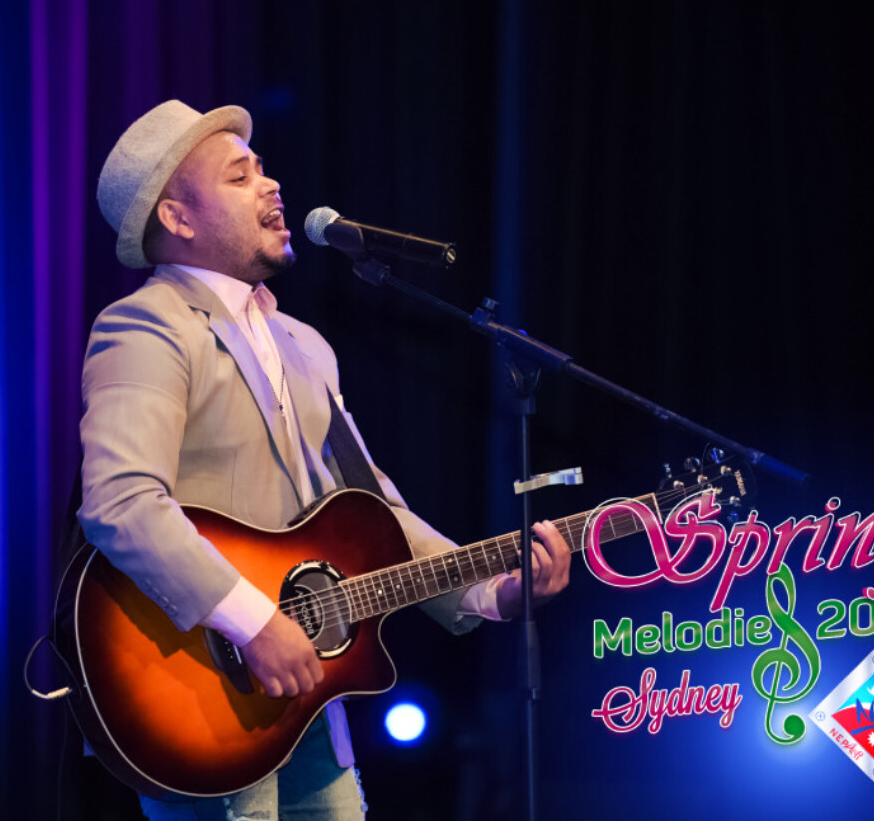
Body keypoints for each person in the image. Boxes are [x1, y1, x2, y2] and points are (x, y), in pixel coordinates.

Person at [79, 99, 571, 820]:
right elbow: (120, 502)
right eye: (240, 176)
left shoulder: (305, 344)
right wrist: (252, 621)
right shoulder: (146, 325)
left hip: (307, 695)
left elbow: (375, 505)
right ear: (178, 218)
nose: (271, 184)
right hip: (199, 693)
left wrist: (489, 592)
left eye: (263, 168)